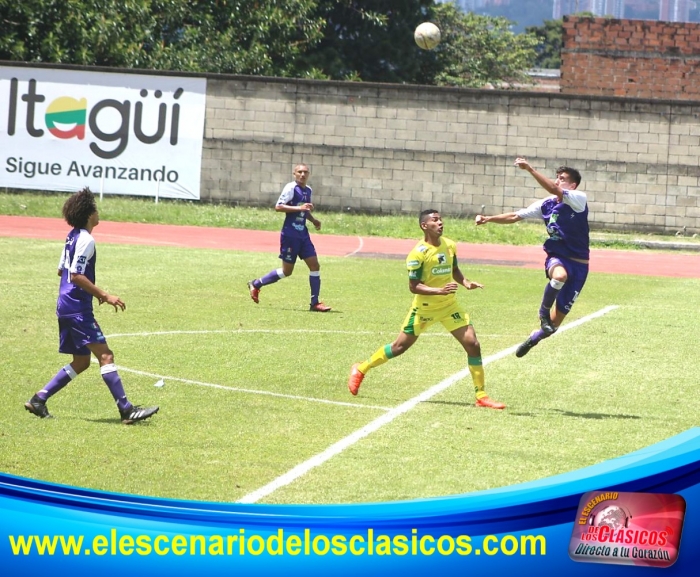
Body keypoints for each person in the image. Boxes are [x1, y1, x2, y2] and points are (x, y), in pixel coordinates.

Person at [24, 187, 159, 425]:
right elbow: (76, 274)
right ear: (89, 214)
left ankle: (39, 399)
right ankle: (126, 410)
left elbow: (61, 271)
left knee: (82, 361)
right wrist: (104, 295)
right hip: (76, 308)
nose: (98, 212)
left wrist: (90, 291)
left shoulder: (72, 236)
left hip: (65, 304)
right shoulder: (86, 239)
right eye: (95, 209)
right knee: (105, 356)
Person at [347, 209, 506, 410]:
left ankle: (481, 395)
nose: (440, 223)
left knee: (473, 344)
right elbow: (414, 286)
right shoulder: (417, 254)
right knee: (399, 347)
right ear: (425, 226)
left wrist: (466, 282)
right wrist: (439, 290)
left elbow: (454, 270)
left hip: (449, 306)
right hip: (424, 309)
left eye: (441, 219)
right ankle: (361, 369)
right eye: (435, 220)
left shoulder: (450, 245)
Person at [475, 157, 589, 357]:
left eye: (562, 179)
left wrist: (530, 169)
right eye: (556, 177)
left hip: (580, 266)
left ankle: (534, 338)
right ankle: (543, 311)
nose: (557, 181)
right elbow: (515, 216)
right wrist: (489, 219)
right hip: (558, 258)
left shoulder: (578, 199)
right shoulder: (546, 205)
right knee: (559, 276)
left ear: (573, 185)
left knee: (552, 327)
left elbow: (555, 191)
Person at [247, 163, 331, 312]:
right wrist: (299, 208)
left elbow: (304, 210)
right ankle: (256, 284)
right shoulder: (291, 188)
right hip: (290, 235)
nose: (303, 175)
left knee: (315, 265)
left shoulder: (308, 190)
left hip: (303, 235)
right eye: (300, 172)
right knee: (287, 271)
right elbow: (278, 207)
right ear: (294, 174)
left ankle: (315, 303)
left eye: (305, 172)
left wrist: (313, 220)